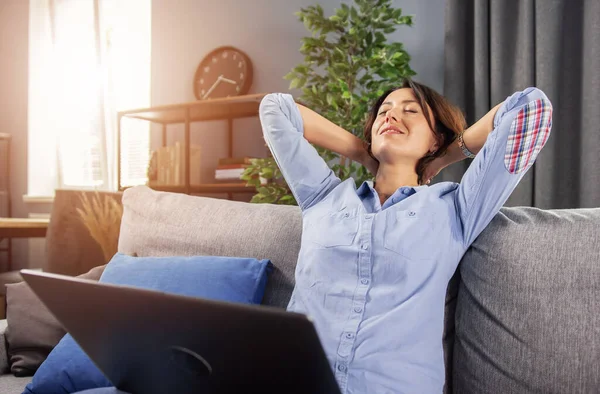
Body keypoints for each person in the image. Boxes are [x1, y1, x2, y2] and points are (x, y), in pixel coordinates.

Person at [258, 79, 553, 393]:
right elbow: (275, 109)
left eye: (410, 111)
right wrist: (363, 151)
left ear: (435, 139)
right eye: (384, 112)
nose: (391, 116)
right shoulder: (322, 197)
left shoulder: (456, 209)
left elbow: (531, 108)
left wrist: (447, 156)